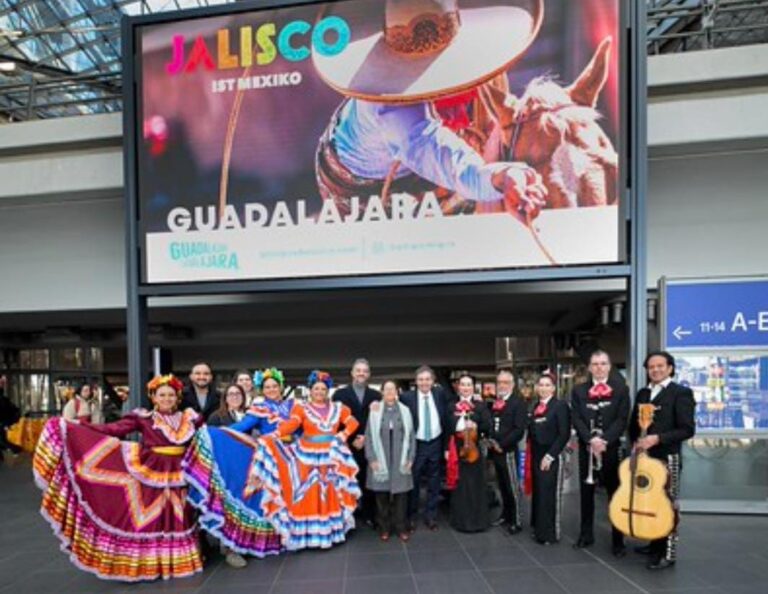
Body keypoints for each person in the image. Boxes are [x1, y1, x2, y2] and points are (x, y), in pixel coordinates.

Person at [33, 374, 203, 581]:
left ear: (177, 397)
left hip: (181, 472)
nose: (167, 398)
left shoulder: (191, 418)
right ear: (154, 398)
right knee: (153, 518)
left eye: (171, 395)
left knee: (180, 515)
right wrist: (77, 427)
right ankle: (149, 563)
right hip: (151, 471)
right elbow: (113, 429)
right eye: (162, 395)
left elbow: (206, 438)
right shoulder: (144, 418)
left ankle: (176, 562)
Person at [184, 369, 292, 567]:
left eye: (274, 386)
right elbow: (230, 432)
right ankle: (232, 547)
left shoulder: (271, 410)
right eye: (267, 387)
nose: (271, 390)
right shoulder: (234, 413)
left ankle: (260, 540)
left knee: (264, 501)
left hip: (268, 462)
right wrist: (209, 434)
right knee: (239, 501)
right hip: (243, 464)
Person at [255, 370, 360, 551]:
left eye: (323, 389)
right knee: (309, 494)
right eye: (316, 389)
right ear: (310, 390)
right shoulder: (301, 408)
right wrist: (275, 434)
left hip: (332, 456)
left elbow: (353, 423)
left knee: (331, 493)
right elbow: (292, 425)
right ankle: (310, 536)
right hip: (307, 457)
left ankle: (330, 532)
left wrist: (343, 434)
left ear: (327, 391)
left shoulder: (338, 408)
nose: (319, 392)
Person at [630, 351, 696, 570]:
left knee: (668, 506)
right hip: (645, 459)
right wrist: (635, 443)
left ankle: (667, 553)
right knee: (650, 503)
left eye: (660, 366)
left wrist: (657, 438)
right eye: (651, 367)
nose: (655, 370)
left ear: (670, 368)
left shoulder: (681, 393)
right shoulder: (642, 393)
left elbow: (687, 429)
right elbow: (634, 424)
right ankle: (654, 543)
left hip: (668, 459)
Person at [570, 350, 630, 556]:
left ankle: (618, 540)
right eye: (595, 364)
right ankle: (586, 535)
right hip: (587, 449)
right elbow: (576, 418)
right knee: (586, 494)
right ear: (589, 367)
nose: (599, 367)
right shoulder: (578, 390)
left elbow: (622, 419)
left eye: (603, 363)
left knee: (615, 493)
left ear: (609, 366)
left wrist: (605, 440)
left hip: (610, 449)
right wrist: (590, 439)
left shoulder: (621, 389)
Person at [332, 358, 382, 527]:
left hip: (370, 444)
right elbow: (335, 422)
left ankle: (369, 514)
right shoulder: (339, 395)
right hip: (347, 445)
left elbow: (379, 422)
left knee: (368, 481)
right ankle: (348, 515)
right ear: (352, 373)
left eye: (365, 371)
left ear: (369, 374)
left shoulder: (376, 396)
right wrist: (351, 439)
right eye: (358, 370)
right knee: (348, 480)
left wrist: (366, 438)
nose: (361, 373)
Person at [365, 380, 415, 542]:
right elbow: (369, 437)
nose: (389, 392)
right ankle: (384, 528)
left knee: (401, 498)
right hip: (381, 460)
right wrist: (371, 459)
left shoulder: (405, 411)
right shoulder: (375, 411)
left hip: (401, 461)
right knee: (381, 498)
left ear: (397, 391)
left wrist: (410, 458)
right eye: (386, 389)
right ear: (382, 392)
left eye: (392, 389)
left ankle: (401, 528)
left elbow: (412, 437)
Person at [401, 365, 450, 531]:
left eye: (427, 379)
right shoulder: (406, 398)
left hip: (436, 442)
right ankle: (412, 517)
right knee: (413, 482)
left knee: (434, 482)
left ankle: (431, 516)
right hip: (417, 444)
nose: (424, 383)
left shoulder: (440, 394)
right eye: (421, 379)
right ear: (416, 381)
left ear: (433, 381)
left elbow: (453, 408)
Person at [527, 372, 570, 545]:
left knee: (549, 494)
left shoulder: (560, 406)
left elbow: (564, 433)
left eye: (547, 385)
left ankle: (551, 534)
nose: (543, 388)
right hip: (536, 454)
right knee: (539, 493)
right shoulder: (534, 405)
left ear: (553, 388)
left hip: (551, 455)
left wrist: (550, 456)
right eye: (541, 385)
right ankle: (539, 530)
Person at [447, 374, 492, 533]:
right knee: (461, 485)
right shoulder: (452, 405)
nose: (465, 388)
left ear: (473, 387)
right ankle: (461, 522)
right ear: (458, 387)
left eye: (469, 385)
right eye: (463, 384)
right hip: (457, 448)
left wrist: (476, 425)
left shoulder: (480, 405)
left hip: (474, 448)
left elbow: (488, 425)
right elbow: (447, 427)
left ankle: (478, 522)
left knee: (476, 484)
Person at [487, 369, 527, 535]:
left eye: (505, 382)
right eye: (500, 382)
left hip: (508, 451)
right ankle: (506, 514)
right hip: (496, 452)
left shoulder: (518, 403)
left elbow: (519, 430)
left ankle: (516, 520)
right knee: (501, 485)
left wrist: (501, 444)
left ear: (512, 384)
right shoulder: (496, 402)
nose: (502, 385)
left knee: (512, 487)